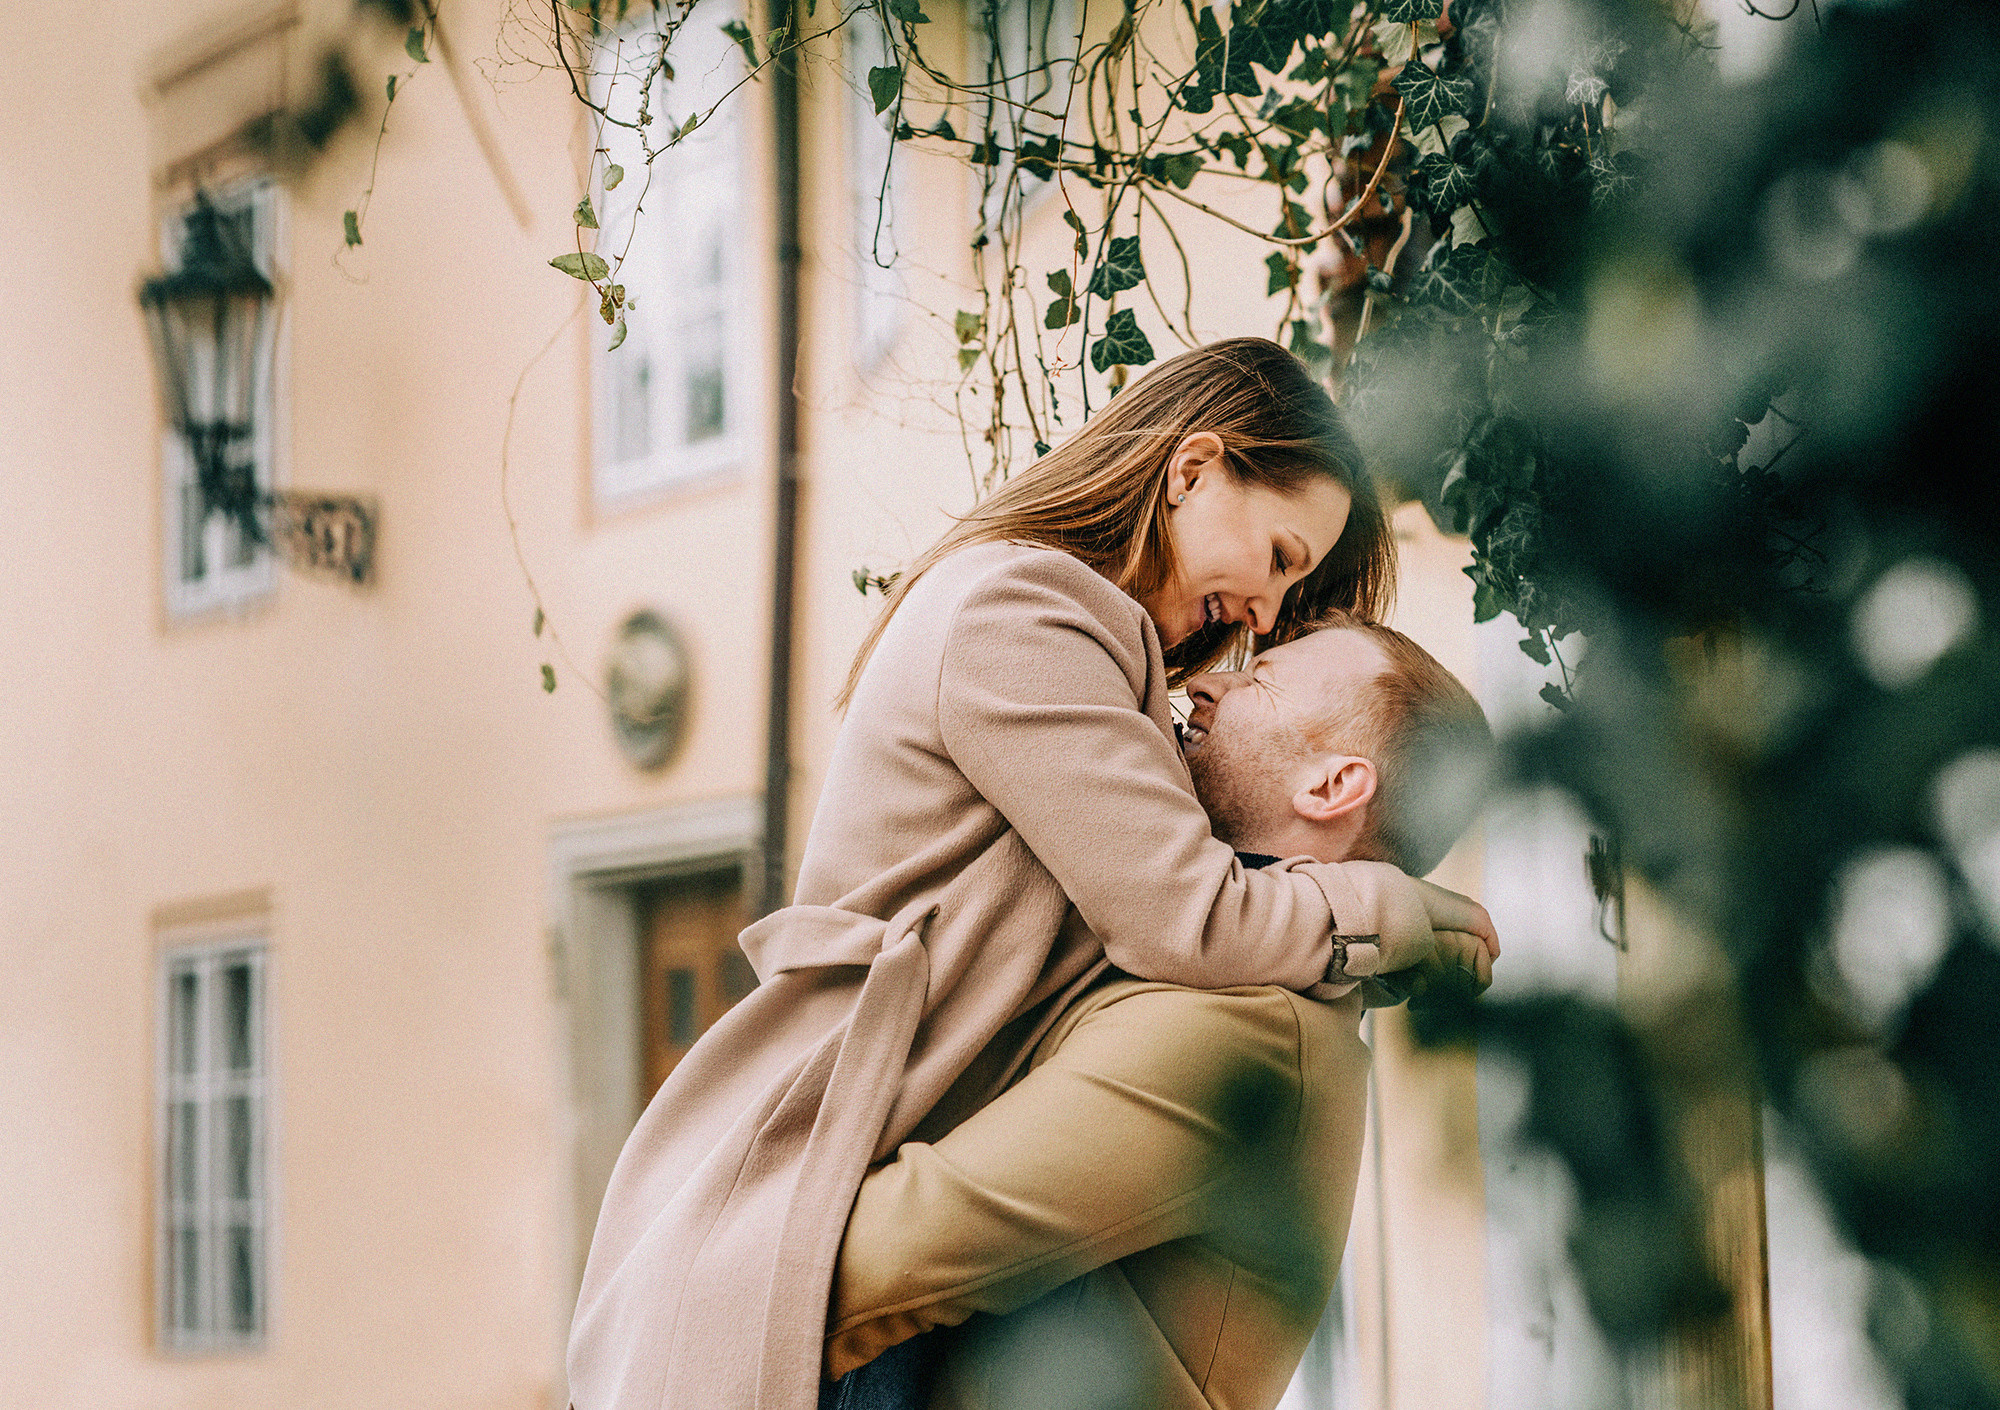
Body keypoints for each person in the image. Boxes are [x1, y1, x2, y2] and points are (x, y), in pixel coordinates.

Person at [566, 340, 1497, 1410]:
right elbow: (1183, 917)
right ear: (1190, 471)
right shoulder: (1028, 615)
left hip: (842, 1206)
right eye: (1280, 557)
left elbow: (1169, 925)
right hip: (808, 1172)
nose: (1265, 616)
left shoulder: (1103, 662)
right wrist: (1387, 911)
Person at [820, 614, 1494, 1410]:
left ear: (1331, 786)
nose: (1206, 683)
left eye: (1259, 677)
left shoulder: (1244, 1030)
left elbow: (870, 1267)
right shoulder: (1219, 977)